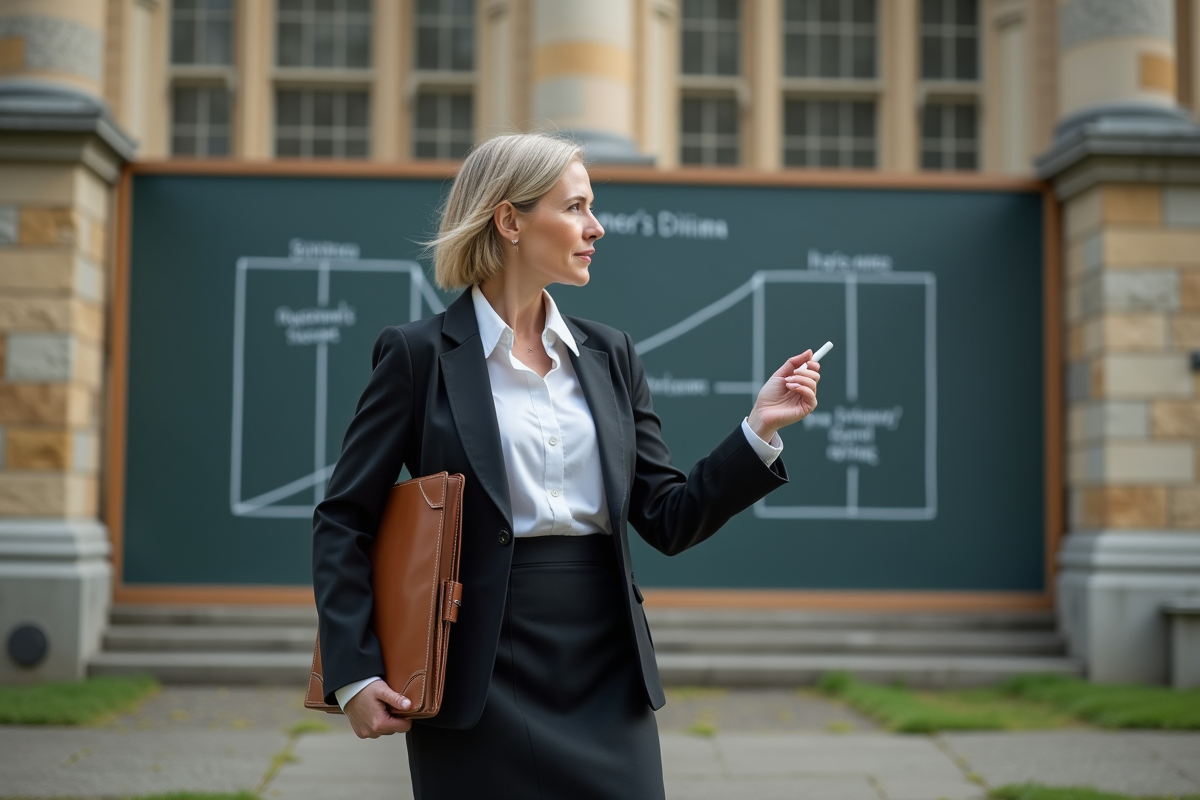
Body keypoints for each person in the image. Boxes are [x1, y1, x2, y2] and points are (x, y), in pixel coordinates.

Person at [311, 132, 821, 799]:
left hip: (606, 661)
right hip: (474, 663)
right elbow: (344, 519)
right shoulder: (417, 357)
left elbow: (668, 518)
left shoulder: (611, 354)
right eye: (576, 207)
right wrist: (353, 672)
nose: (596, 226)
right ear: (509, 220)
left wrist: (758, 430)